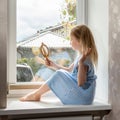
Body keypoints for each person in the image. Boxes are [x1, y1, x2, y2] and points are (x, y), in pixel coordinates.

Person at [20, 24, 98, 105]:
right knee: (60, 72)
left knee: (59, 73)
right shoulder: (81, 57)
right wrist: (53, 65)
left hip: (83, 98)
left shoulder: (84, 61)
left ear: (80, 41)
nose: (70, 42)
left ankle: (36, 94)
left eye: (71, 39)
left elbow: (81, 83)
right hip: (83, 96)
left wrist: (81, 63)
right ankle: (36, 94)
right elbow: (69, 71)